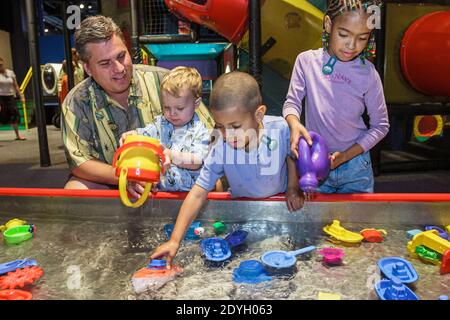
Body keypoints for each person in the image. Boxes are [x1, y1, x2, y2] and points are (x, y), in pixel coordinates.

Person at [150, 71, 305, 266]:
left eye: (235, 126)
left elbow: (291, 157)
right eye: (221, 126)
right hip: (243, 213)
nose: (227, 134)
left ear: (258, 114)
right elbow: (198, 193)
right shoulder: (220, 146)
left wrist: (293, 187)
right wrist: (174, 241)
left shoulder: (280, 129)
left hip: (279, 208)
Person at [61, 15, 214, 189]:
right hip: (113, 181)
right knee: (76, 189)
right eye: (105, 63)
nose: (119, 69)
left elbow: (212, 137)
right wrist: (126, 177)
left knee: (213, 181)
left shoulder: (166, 82)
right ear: (87, 68)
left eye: (121, 56)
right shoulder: (76, 102)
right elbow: (79, 163)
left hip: (176, 178)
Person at [283, 0, 389, 193]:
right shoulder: (306, 61)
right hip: (314, 161)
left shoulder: (369, 73)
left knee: (357, 223)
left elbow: (381, 126)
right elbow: (292, 103)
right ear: (328, 24)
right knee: (315, 222)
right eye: (343, 34)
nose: (352, 45)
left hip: (356, 166)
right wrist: (294, 124)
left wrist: (347, 155)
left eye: (362, 38)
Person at [120, 66, 210, 196]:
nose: (172, 113)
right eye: (167, 107)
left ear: (196, 104)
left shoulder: (200, 131)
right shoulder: (160, 123)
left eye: (179, 108)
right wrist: (132, 135)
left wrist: (170, 155)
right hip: (160, 193)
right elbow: (144, 134)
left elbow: (196, 161)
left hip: (189, 195)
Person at [0, 56, 26, 140]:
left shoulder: (10, 73)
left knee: (15, 115)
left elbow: (16, 86)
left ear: (3, 62)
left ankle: (17, 135)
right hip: (1, 98)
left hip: (10, 97)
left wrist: (21, 96)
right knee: (1, 116)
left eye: (0, 64)